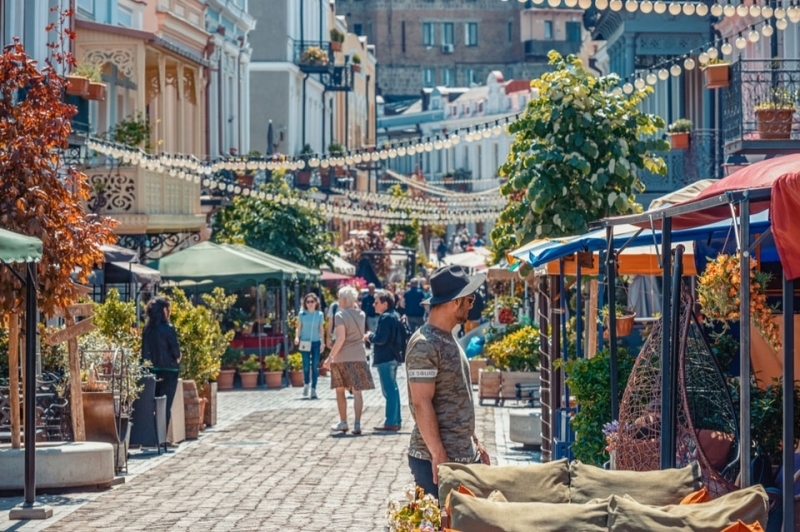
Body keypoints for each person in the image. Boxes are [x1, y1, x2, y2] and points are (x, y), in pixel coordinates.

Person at [405, 265, 490, 496]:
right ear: (456, 302)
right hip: (438, 460)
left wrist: (473, 441)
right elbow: (421, 403)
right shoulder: (425, 343)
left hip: (460, 456)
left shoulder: (447, 337)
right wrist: (438, 455)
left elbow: (456, 395)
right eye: (469, 299)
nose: (472, 305)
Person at [323, 285, 375, 435]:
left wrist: (330, 357)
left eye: (339, 297)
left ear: (344, 299)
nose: (338, 300)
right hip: (359, 355)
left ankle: (343, 422)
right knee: (357, 392)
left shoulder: (340, 315)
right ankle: (357, 424)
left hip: (342, 357)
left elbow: (340, 339)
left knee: (340, 391)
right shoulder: (362, 314)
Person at [141, 297, 181, 434]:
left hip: (152, 371)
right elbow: (175, 351)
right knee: (165, 405)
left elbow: (144, 352)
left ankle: (153, 437)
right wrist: (177, 358)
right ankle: (162, 437)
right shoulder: (168, 328)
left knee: (153, 405)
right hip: (169, 371)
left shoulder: (147, 330)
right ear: (164, 310)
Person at [364, 291, 402, 431]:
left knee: (389, 390)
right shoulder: (393, 315)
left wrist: (370, 336)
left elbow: (381, 338)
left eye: (376, 302)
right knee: (393, 389)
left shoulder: (385, 317)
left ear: (385, 304)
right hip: (392, 356)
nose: (374, 305)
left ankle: (391, 421)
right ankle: (396, 420)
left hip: (386, 357)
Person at [294, 293, 325, 399]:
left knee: (315, 367)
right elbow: (298, 327)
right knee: (306, 365)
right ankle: (306, 383)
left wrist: (323, 342)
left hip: (316, 342)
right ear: (305, 303)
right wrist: (297, 337)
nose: (310, 304)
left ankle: (314, 389)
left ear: (316, 302)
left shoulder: (319, 314)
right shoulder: (302, 314)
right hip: (304, 343)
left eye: (312, 301)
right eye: (308, 302)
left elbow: (321, 329)